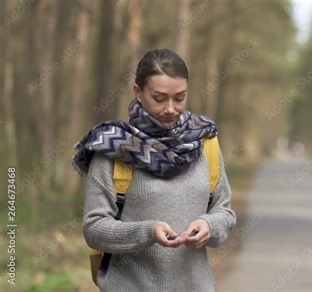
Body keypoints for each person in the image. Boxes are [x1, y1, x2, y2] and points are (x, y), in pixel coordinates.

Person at [71, 49, 236, 291]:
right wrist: (147, 232)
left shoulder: (205, 142)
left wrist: (209, 225)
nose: (171, 108)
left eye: (179, 98)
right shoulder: (113, 147)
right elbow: (94, 229)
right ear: (138, 92)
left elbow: (225, 212)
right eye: (159, 98)